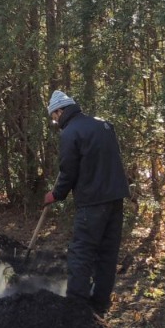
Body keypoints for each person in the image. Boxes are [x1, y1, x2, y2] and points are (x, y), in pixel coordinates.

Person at [43, 90, 129, 315]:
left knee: (81, 253)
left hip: (92, 203)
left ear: (60, 111)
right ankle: (99, 306)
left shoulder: (70, 132)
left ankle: (77, 309)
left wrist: (55, 194)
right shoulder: (104, 126)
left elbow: (68, 171)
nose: (55, 121)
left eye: (54, 116)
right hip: (116, 200)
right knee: (107, 254)